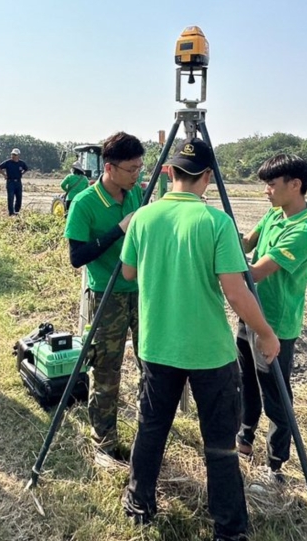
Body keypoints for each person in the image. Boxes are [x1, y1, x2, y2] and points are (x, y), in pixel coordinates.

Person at [119, 138, 280, 537]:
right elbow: (235, 290)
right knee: (220, 443)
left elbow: (127, 275)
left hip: (157, 345)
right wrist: (266, 333)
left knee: (152, 428)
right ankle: (228, 528)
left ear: (169, 172)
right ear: (208, 177)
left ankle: (140, 504)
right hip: (209, 352)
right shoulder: (216, 222)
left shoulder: (143, 217)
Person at [236, 153, 307, 487]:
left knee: (276, 395)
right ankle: (244, 440)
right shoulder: (273, 214)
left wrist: (221, 265)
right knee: (246, 382)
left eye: (271, 185)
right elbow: (246, 243)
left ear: (295, 185)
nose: (266, 191)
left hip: (274, 325)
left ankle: (274, 466)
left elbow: (255, 273)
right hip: (249, 314)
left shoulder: (305, 231)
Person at [64, 132, 145, 460]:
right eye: (130, 169)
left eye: (140, 167)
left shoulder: (137, 193)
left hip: (141, 292)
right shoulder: (85, 204)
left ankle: (147, 431)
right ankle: (104, 441)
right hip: (107, 295)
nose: (136, 174)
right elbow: (76, 257)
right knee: (106, 370)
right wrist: (118, 230)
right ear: (109, 168)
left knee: (149, 363)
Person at [0, 148, 28, 216]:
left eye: (15, 155)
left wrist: (22, 173)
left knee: (19, 198)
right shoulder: (8, 162)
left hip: (18, 182)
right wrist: (4, 175)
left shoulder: (21, 163)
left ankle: (17, 211)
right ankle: (11, 213)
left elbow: (26, 169)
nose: (13, 156)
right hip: (10, 182)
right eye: (12, 154)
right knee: (11, 198)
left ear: (18, 155)